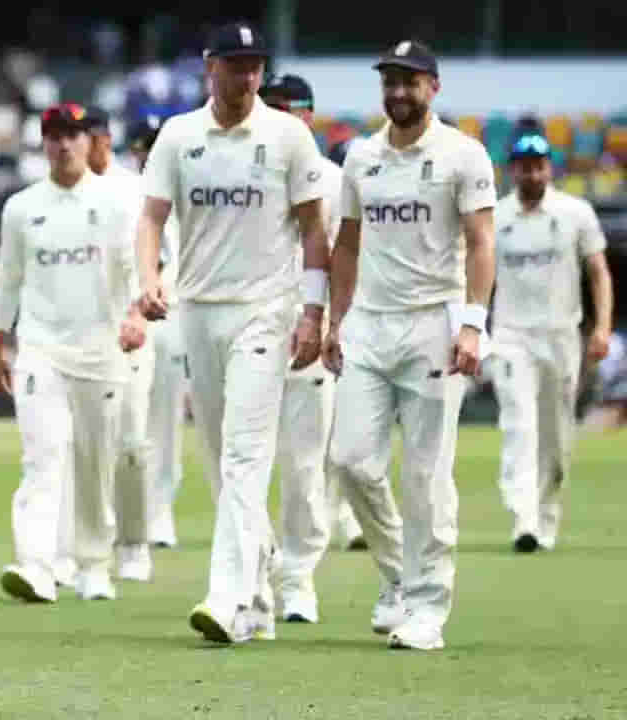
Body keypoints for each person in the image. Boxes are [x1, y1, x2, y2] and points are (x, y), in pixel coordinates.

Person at [136, 22, 330, 645]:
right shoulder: (179, 135)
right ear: (209, 66)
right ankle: (259, 592)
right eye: (234, 64)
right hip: (198, 310)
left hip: (264, 311)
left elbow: (315, 231)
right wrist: (148, 278)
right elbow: (151, 217)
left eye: (254, 66)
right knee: (222, 459)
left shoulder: (288, 136)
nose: (246, 76)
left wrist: (312, 311)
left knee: (247, 454)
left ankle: (226, 597)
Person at [324, 40, 497, 651]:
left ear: (434, 87)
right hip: (369, 324)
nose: (399, 92)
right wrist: (335, 320)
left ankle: (426, 610)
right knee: (349, 461)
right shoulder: (361, 156)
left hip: (433, 325)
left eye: (411, 81)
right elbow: (347, 243)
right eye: (390, 82)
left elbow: (481, 242)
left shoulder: (462, 154)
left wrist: (472, 324)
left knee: (426, 474)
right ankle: (400, 573)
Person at [0, 102, 145, 603]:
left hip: (101, 350)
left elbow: (134, 267)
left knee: (95, 463)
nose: (64, 145)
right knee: (42, 458)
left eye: (73, 135)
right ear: (44, 143)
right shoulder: (22, 207)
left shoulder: (116, 202)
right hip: (41, 350)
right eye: (54, 136)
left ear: (88, 141)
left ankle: (93, 563)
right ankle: (36, 564)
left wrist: (136, 315)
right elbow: (7, 279)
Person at [258, 73, 366, 624]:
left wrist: (333, 322)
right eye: (269, 105)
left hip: (310, 335)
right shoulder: (244, 172)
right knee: (240, 463)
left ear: (309, 115)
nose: (277, 115)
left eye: (288, 107)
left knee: (304, 467)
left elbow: (349, 258)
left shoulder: (336, 180)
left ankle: (297, 579)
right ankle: (251, 573)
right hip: (247, 331)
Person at [487, 132, 613, 552]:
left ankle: (545, 516)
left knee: (555, 440)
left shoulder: (575, 213)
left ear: (549, 168)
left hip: (561, 337)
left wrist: (601, 327)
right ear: (513, 170)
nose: (532, 174)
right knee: (519, 425)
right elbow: (478, 271)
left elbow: (598, 272)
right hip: (512, 336)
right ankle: (523, 518)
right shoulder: (496, 216)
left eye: (539, 166)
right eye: (525, 167)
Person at [85, 106, 155, 582]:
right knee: (78, 447)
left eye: (86, 137)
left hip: (130, 331)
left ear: (105, 141)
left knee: (130, 443)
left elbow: (158, 259)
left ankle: (133, 544)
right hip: (76, 335)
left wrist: (139, 313)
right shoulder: (54, 193)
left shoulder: (134, 189)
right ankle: (81, 548)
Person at [125, 114, 189, 550]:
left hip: (166, 316)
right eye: (144, 147)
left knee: (164, 419)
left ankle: (160, 511)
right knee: (127, 420)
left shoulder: (183, 194)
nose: (150, 154)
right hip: (122, 319)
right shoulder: (122, 191)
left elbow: (180, 258)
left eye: (156, 145)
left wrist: (156, 293)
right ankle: (125, 512)